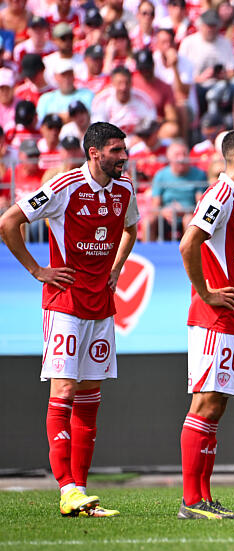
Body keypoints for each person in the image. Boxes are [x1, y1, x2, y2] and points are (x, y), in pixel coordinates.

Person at [0, 121, 139, 517]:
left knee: (90, 400)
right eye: (115, 150)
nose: (123, 156)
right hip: (65, 304)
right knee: (63, 391)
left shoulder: (125, 189)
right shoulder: (64, 187)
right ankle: (66, 488)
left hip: (101, 306)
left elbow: (131, 229)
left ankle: (80, 492)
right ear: (94, 153)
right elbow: (9, 222)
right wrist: (37, 270)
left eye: (123, 149)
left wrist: (116, 268)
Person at [177, 128, 234, 520]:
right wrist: (207, 292)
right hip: (216, 317)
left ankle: (202, 499)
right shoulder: (221, 195)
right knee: (205, 403)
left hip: (232, 318)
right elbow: (188, 243)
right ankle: (192, 501)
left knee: (214, 407)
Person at [150, 139, 207, 239]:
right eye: (177, 155)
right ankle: (147, 252)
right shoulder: (161, 175)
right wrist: (164, 212)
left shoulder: (199, 174)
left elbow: (201, 205)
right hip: (166, 217)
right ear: (169, 157)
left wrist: (184, 211)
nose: (181, 158)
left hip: (189, 215)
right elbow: (155, 206)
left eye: (184, 154)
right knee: (148, 222)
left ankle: (189, 252)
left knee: (189, 220)